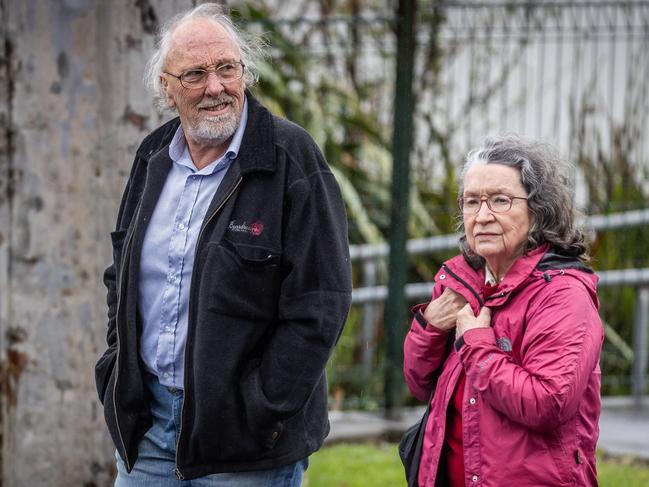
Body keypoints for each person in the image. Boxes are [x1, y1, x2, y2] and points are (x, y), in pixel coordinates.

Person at [94, 4, 351, 485]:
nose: (215, 87)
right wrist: (117, 369)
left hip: (247, 446)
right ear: (167, 90)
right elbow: (120, 275)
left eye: (226, 68)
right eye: (195, 74)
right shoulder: (153, 156)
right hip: (147, 431)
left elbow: (323, 301)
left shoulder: (290, 159)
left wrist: (263, 406)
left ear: (245, 73)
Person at [403, 135, 603, 487]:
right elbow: (420, 384)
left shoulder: (562, 293)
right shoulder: (459, 283)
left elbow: (548, 403)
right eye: (471, 202)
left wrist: (477, 345)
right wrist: (431, 326)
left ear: (538, 210)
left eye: (500, 200)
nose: (482, 216)